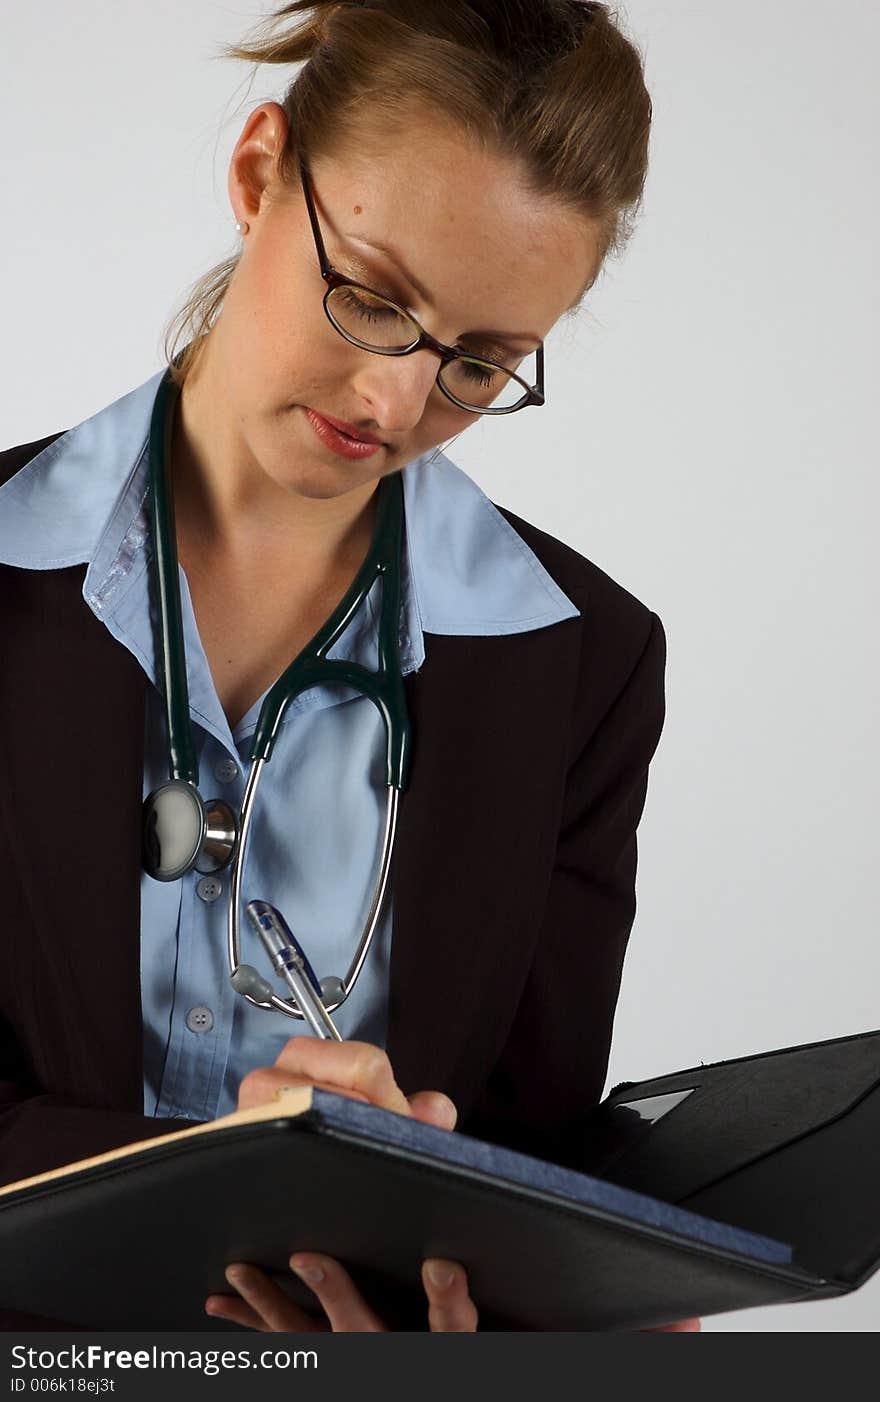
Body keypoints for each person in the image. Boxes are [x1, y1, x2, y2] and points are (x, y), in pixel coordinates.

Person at [0, 0, 697, 1332]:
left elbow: (529, 1142)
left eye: (481, 364)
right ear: (260, 169)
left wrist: (554, 1289)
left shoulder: (583, 664)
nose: (392, 403)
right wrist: (227, 1176)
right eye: (372, 297)